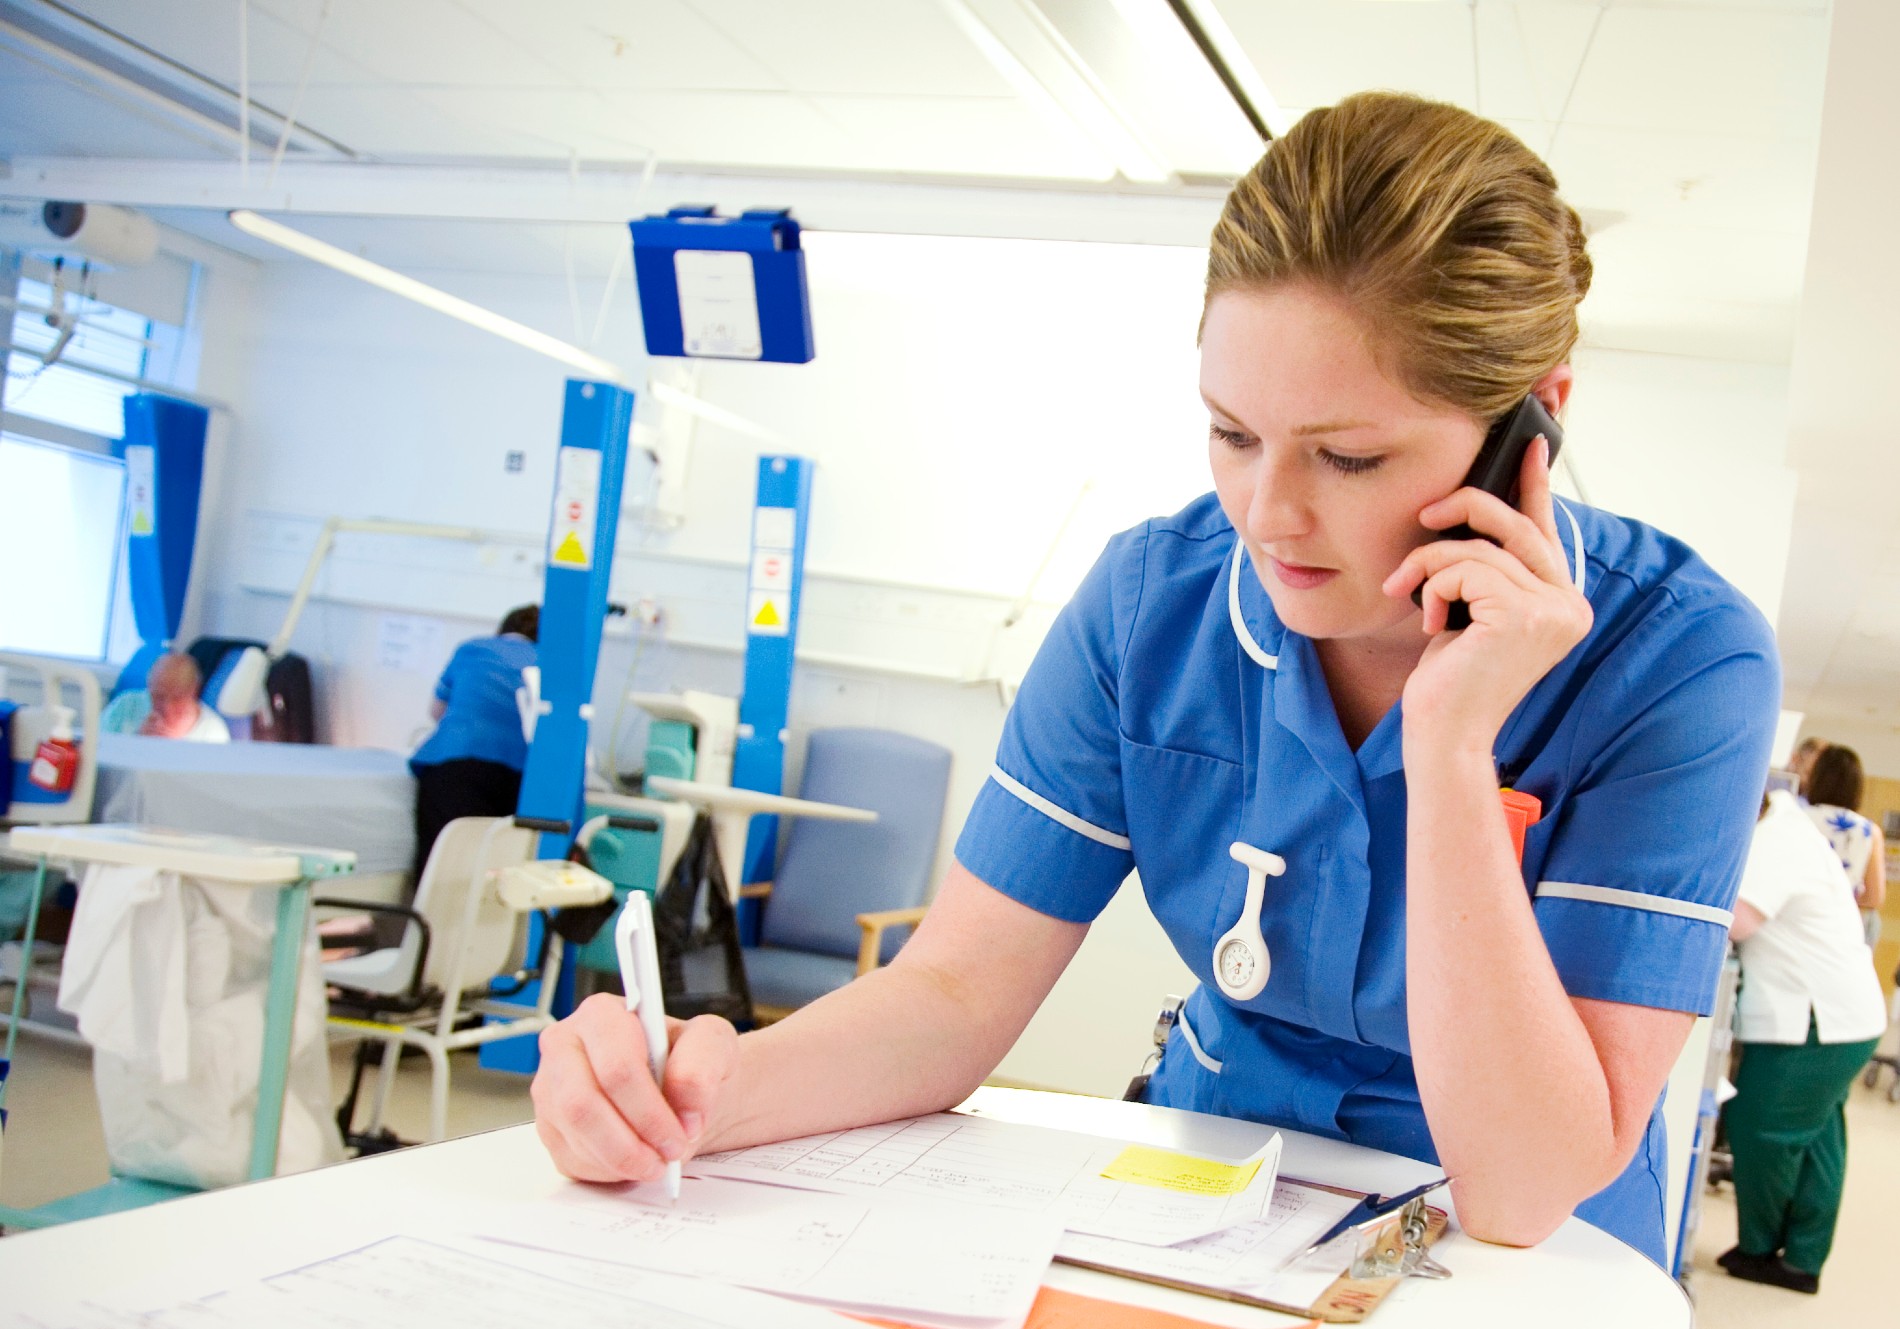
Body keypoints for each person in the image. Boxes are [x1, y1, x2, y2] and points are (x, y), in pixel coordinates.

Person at [529, 93, 1779, 1264]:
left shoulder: (1679, 663)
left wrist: (1451, 748)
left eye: (1345, 457)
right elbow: (957, 992)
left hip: (1524, 1246)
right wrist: (693, 1094)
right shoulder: (1150, 605)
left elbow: (1517, 1188)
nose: (1267, 515)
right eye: (1232, 434)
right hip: (1218, 1188)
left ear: (1531, 425)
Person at [1719, 788, 1886, 1293]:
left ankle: (1760, 1249)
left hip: (1815, 1022)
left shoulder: (1777, 840)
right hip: (1846, 1016)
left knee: (1760, 1130)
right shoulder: (1788, 829)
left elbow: (1739, 921)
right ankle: (1803, 1259)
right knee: (1817, 1141)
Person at [408, 605, 538, 883]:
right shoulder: (546, 661)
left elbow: (436, 710)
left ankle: (431, 922)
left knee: (441, 859)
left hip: (455, 762)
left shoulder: (472, 649)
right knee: (492, 866)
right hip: (518, 774)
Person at [1803, 743, 1886, 943]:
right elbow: (1875, 897)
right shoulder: (1868, 831)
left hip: (1796, 921)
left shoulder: (1797, 818)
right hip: (1841, 927)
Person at [100, 652, 231, 742]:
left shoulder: (213, 731)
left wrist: (171, 750)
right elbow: (95, 751)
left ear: (194, 692)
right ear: (149, 687)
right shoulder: (125, 706)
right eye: (158, 697)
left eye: (177, 698)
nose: (166, 707)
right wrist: (137, 742)